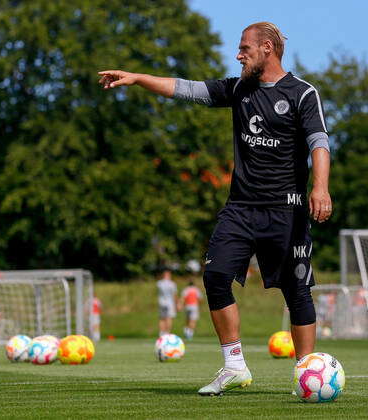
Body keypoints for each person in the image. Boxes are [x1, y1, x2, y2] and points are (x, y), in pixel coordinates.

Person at [99, 21, 332, 396]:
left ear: (268, 48)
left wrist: (320, 187)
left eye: (245, 49)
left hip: (286, 210)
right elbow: (185, 89)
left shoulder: (303, 94)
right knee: (215, 276)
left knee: (296, 291)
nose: (238, 55)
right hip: (240, 208)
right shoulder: (239, 89)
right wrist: (138, 78)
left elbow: (319, 142)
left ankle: (305, 374)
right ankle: (234, 366)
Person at [157, 269, 178, 336]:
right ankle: (167, 333)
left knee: (162, 318)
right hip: (169, 303)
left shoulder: (159, 283)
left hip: (161, 302)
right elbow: (174, 295)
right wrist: (176, 304)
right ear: (169, 275)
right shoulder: (172, 284)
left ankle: (161, 333)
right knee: (169, 318)